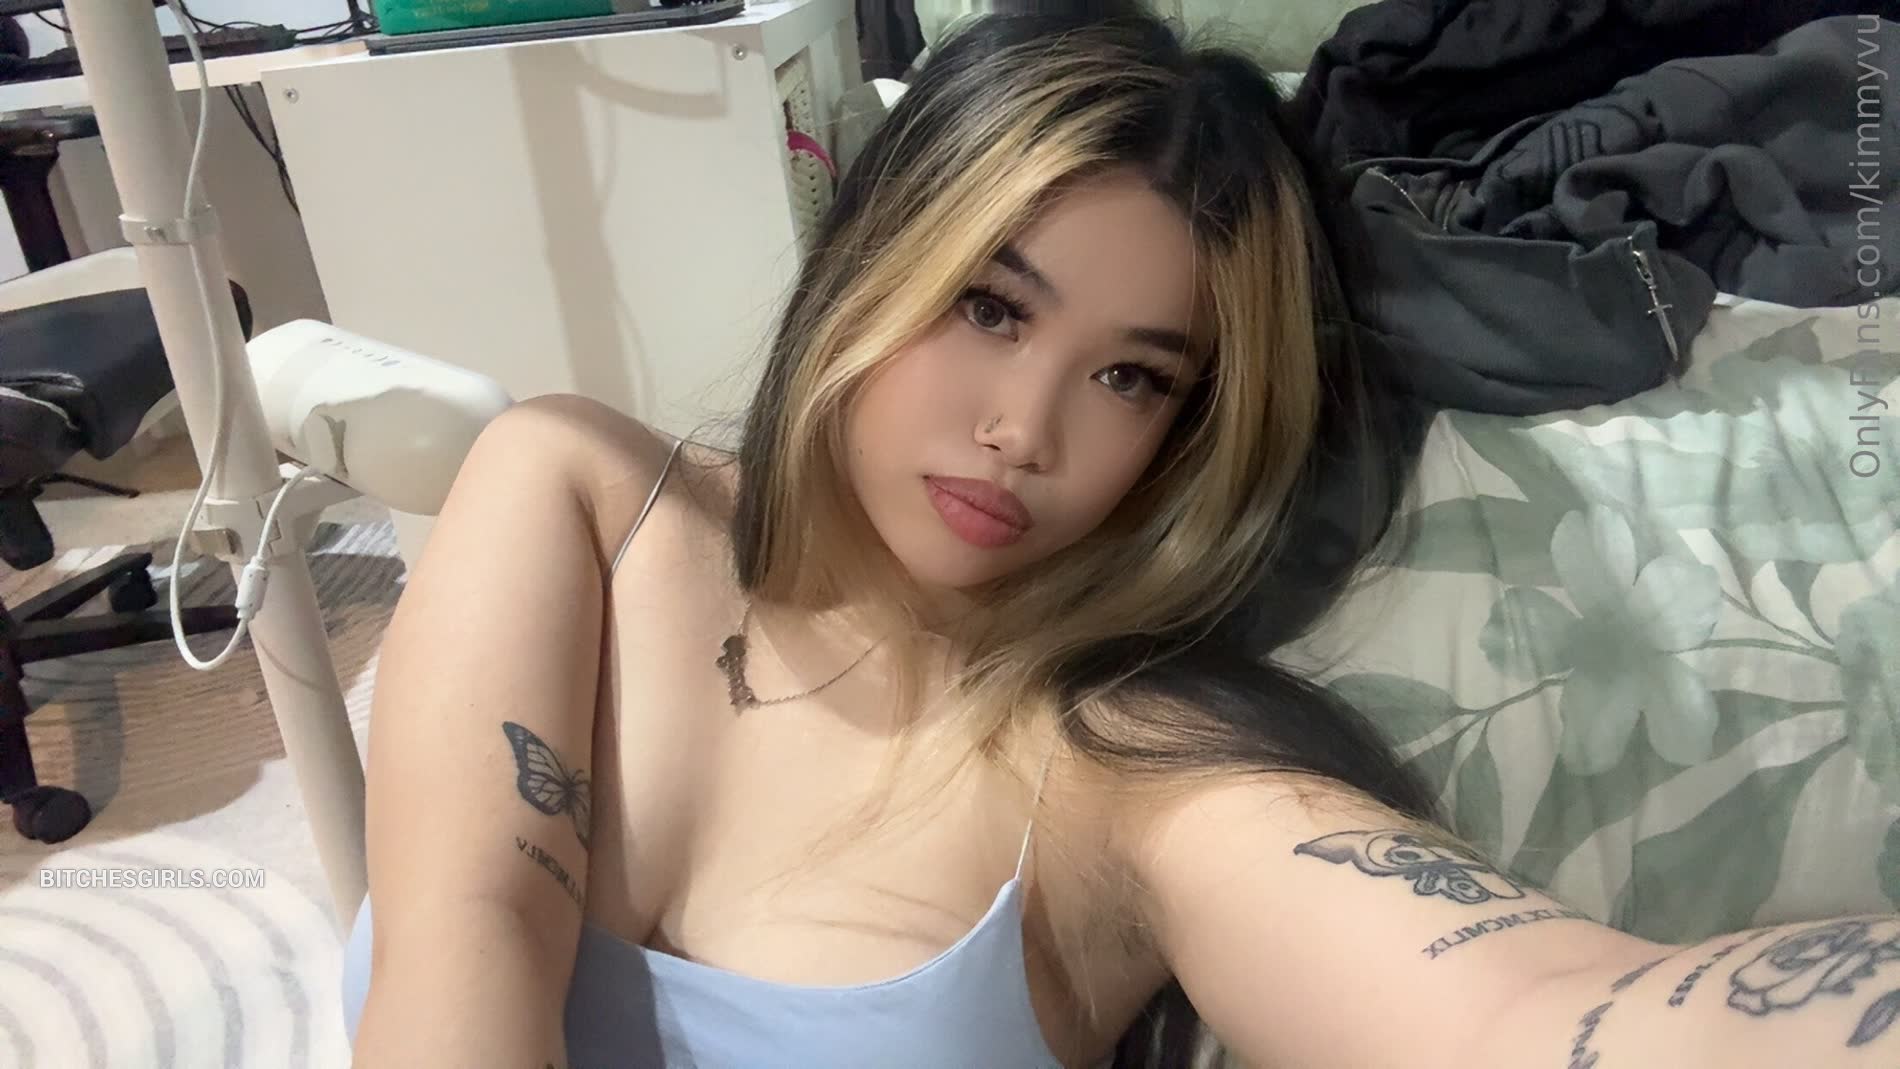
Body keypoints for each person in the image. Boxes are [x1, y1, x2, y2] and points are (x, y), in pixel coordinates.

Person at [340, 8, 1900, 1069]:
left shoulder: (1127, 771)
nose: (1026, 430)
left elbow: (1535, 1012)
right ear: (877, 250)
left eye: (1131, 377)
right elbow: (462, 941)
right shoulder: (586, 498)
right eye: (990, 305)